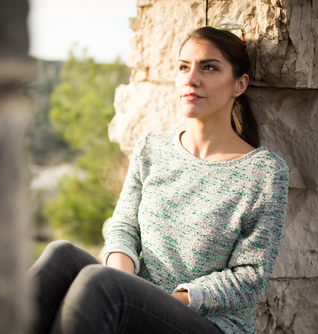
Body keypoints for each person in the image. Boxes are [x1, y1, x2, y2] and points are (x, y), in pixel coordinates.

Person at [29, 25, 289, 334]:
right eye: (183, 67)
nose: (191, 78)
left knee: (101, 284)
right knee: (60, 256)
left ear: (239, 84)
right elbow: (123, 226)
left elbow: (249, 277)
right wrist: (125, 284)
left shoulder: (264, 172)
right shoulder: (152, 147)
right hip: (135, 299)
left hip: (207, 322)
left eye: (209, 67)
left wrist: (167, 299)